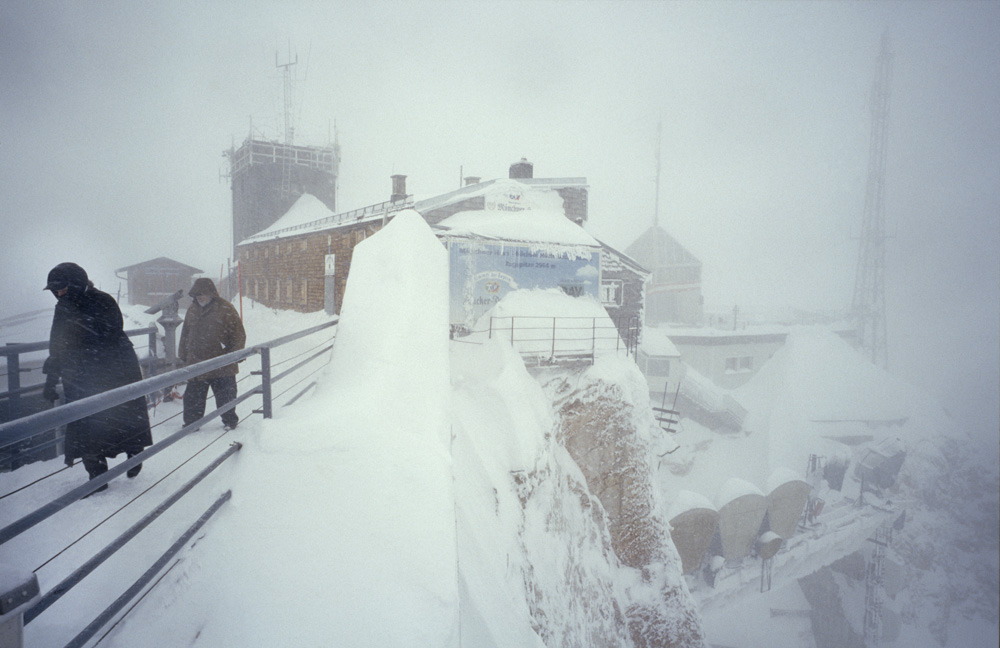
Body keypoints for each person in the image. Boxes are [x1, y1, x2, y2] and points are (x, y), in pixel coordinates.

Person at [41, 262, 153, 492]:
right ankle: (97, 476)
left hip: (114, 371)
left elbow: (110, 334)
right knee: (85, 425)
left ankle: (134, 455)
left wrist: (80, 332)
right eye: (55, 289)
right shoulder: (62, 307)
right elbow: (57, 345)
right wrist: (51, 379)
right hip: (79, 377)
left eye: (62, 288)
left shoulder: (102, 300)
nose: (59, 293)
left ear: (75, 284)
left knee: (123, 417)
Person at [178, 278, 246, 430]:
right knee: (193, 397)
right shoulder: (192, 309)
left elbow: (238, 334)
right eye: (196, 294)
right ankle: (192, 424)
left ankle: (230, 422)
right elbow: (185, 333)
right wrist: (183, 354)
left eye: (202, 293)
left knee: (226, 396)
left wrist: (235, 355)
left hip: (221, 363)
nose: (199, 297)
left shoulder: (225, 308)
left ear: (211, 293)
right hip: (197, 363)